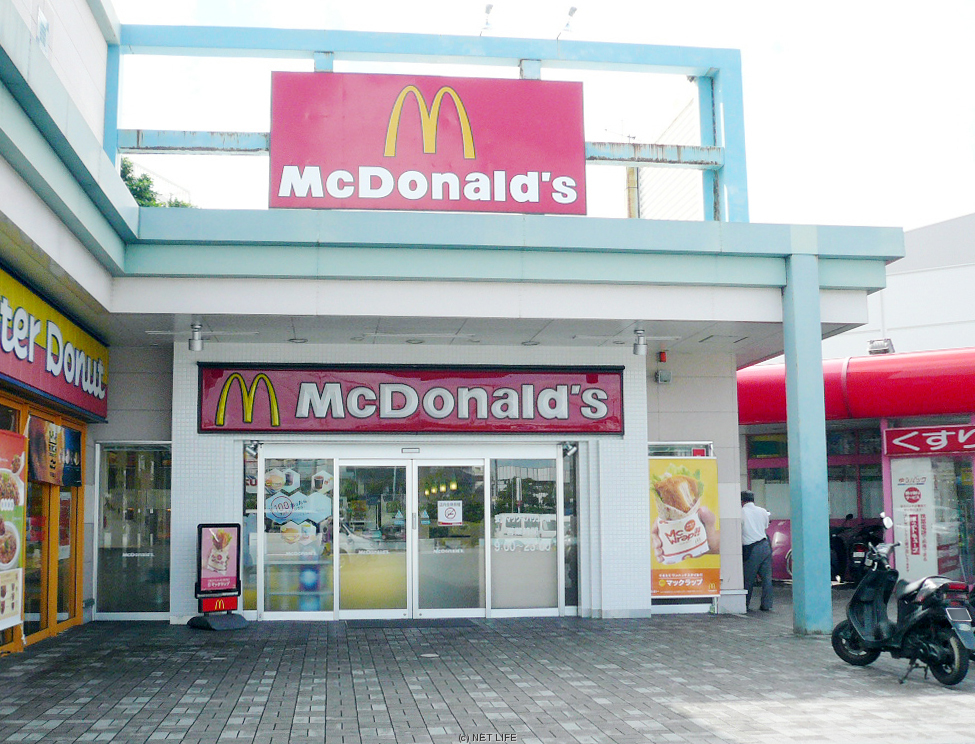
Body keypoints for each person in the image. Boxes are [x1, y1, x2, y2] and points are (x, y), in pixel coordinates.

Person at [740, 490, 773, 612]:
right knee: (767, 578)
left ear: (742, 501)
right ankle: (766, 605)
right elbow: (765, 526)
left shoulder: (741, 512)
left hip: (751, 548)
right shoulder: (763, 511)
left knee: (748, 579)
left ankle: (744, 604)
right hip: (765, 545)